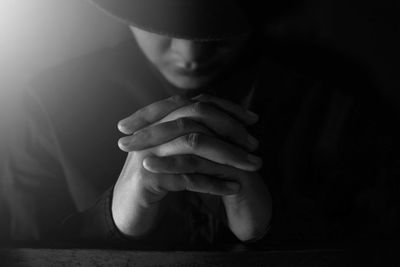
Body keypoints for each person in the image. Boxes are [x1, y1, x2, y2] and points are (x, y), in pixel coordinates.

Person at [1, 0, 399, 248]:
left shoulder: (338, 98)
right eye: (161, 19)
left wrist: (274, 228)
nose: (190, 53)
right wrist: (112, 219)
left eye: (218, 22)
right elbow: (22, 249)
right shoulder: (48, 104)